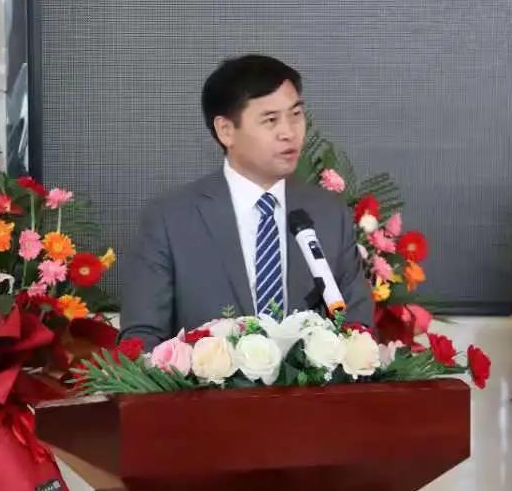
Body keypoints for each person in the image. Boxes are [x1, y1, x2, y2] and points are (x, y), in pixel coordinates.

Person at [119, 54, 372, 349]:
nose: (289, 132)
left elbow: (358, 329)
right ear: (226, 130)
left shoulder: (329, 214)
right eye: (270, 120)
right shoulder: (170, 219)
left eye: (295, 114)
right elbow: (142, 338)